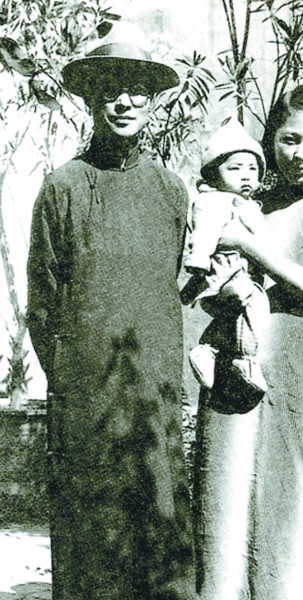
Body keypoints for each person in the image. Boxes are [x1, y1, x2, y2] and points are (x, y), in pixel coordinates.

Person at [27, 21, 196, 600]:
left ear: (153, 103)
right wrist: (71, 379)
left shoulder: (171, 191)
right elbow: (43, 301)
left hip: (154, 389)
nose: (124, 102)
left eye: (137, 92)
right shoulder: (63, 187)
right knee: (91, 533)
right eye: (110, 91)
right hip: (87, 395)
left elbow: (176, 286)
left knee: (159, 520)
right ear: (91, 100)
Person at [193, 84, 303, 600]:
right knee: (222, 498)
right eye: (289, 140)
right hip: (234, 368)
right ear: (271, 141)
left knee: (288, 502)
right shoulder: (242, 204)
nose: (300, 154)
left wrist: (245, 243)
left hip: (296, 376)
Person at [182, 117, 270, 394]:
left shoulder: (246, 204)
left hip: (239, 273)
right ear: (213, 174)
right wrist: (199, 257)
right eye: (235, 168)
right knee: (253, 304)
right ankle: (246, 359)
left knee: (234, 316)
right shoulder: (214, 200)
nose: (246, 176)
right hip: (225, 272)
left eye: (252, 169)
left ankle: (208, 349)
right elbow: (205, 229)